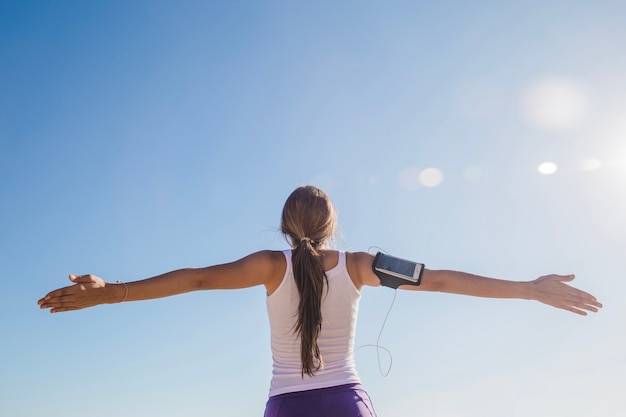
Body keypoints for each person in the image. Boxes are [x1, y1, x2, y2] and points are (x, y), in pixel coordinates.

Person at [38, 185, 602, 417]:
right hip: (347, 405)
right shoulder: (362, 264)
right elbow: (442, 280)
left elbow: (194, 280)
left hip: (286, 407)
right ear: (332, 227)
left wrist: (111, 295)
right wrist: (529, 289)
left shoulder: (268, 266)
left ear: (286, 226)